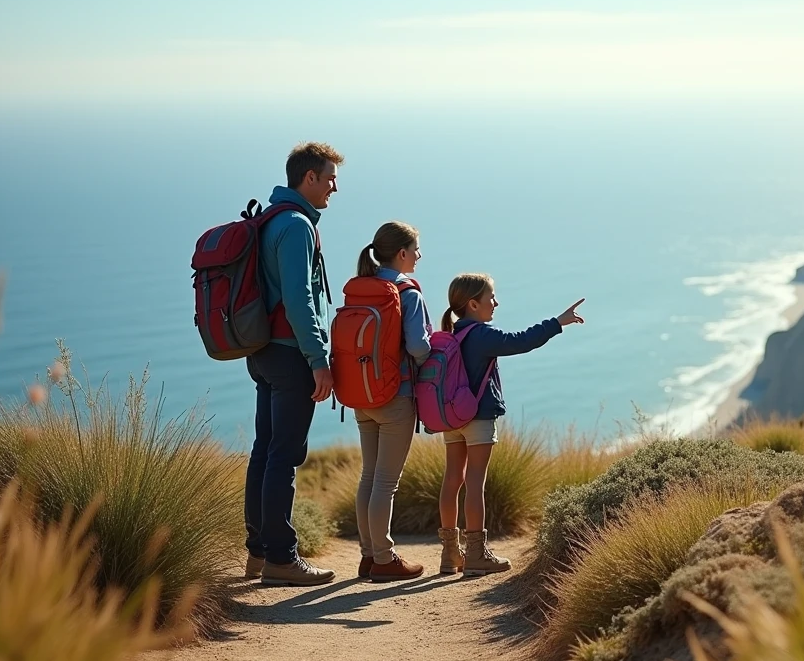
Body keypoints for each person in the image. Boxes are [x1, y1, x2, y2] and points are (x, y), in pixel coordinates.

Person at [436, 273, 585, 576]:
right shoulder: (481, 335)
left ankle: (450, 553)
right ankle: (476, 553)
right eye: (491, 297)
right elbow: (520, 341)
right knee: (475, 482)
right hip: (477, 417)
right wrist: (558, 323)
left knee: (453, 479)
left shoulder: (451, 335)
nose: (496, 302)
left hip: (451, 417)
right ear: (473, 304)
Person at [244, 142, 342, 586]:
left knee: (265, 451)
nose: (334, 188)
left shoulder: (269, 220)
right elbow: (301, 301)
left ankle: (259, 554)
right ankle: (282, 559)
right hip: (289, 355)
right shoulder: (297, 226)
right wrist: (319, 360)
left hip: (263, 352)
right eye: (330, 179)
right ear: (309, 179)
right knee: (284, 455)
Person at [349, 222, 432, 582]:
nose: (418, 255)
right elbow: (417, 347)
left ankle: (368, 556)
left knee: (369, 476)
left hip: (360, 395)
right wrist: (431, 347)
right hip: (394, 396)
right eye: (415, 249)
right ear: (401, 254)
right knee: (386, 482)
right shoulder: (407, 293)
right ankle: (384, 558)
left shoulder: (362, 289)